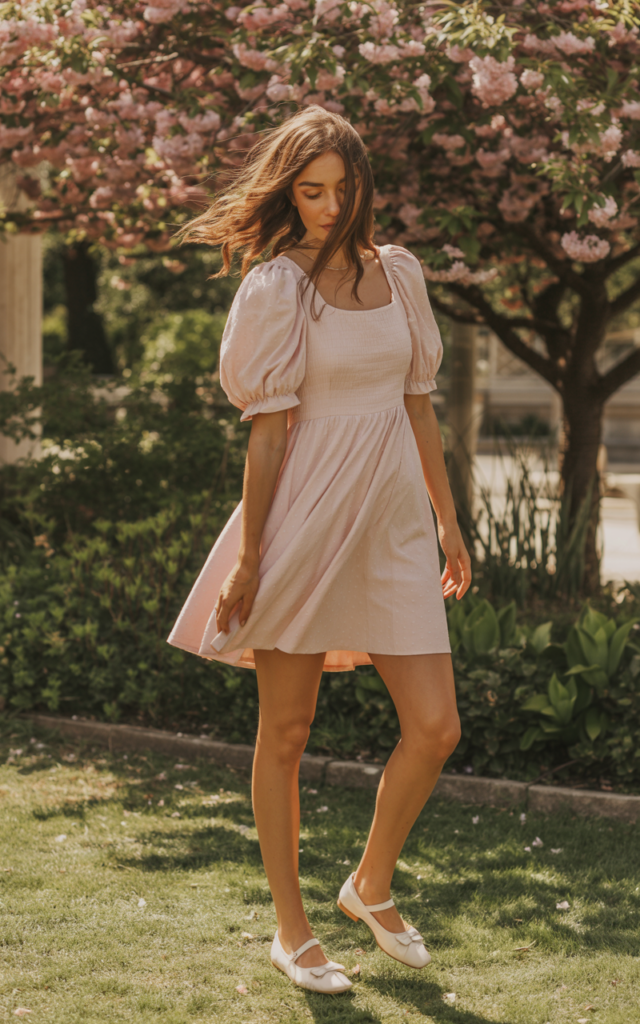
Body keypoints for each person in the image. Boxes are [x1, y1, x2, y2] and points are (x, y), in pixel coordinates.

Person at [168, 105, 471, 995]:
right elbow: (267, 437)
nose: (329, 208)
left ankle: (368, 886)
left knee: (436, 726)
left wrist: (448, 520)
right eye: (311, 192)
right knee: (288, 731)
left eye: (343, 190)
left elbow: (418, 404)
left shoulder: (400, 274)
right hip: (306, 515)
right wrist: (251, 559)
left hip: (395, 524)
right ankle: (291, 930)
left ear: (363, 187)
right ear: (288, 192)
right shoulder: (276, 288)